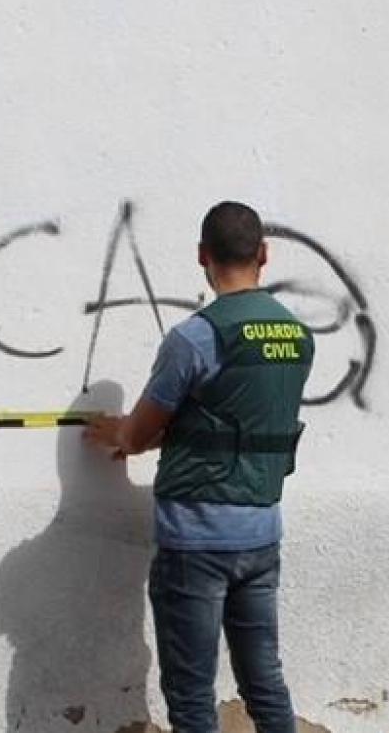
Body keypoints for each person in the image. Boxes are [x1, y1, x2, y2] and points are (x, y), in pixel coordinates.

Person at [84, 201, 314, 733]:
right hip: (260, 534)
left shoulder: (195, 338)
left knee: (191, 699)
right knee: (265, 683)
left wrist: (116, 432)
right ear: (264, 255)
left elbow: (139, 434)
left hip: (196, 543)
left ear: (202, 256)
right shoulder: (298, 337)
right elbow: (237, 418)